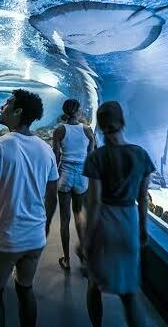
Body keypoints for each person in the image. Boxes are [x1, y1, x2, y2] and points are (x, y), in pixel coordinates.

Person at [0, 89, 59, 327]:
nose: (2, 107)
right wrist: (46, 226)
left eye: (7, 103)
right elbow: (52, 195)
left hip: (5, 238)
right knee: (25, 290)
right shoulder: (46, 149)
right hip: (35, 237)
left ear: (18, 112)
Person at [83, 101, 154, 327]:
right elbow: (143, 199)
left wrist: (86, 239)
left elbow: (94, 202)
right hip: (129, 222)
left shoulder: (96, 158)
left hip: (104, 223)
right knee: (129, 293)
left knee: (94, 285)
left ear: (100, 126)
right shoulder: (141, 155)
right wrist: (143, 229)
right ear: (122, 122)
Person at [46, 99, 95, 271]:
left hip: (65, 175)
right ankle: (85, 259)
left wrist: (51, 178)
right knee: (79, 216)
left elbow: (56, 156)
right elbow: (91, 156)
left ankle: (66, 259)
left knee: (65, 219)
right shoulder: (88, 131)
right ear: (79, 111)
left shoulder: (59, 130)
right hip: (82, 177)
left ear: (65, 111)